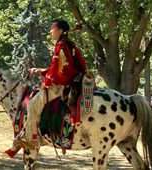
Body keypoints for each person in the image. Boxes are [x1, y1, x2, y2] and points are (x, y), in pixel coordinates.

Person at [20, 19, 87, 149]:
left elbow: (63, 70)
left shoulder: (61, 45)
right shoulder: (68, 44)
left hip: (61, 85)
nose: (50, 31)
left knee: (32, 105)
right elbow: (57, 67)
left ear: (60, 30)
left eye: (53, 28)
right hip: (69, 82)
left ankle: (31, 139)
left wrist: (48, 81)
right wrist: (42, 71)